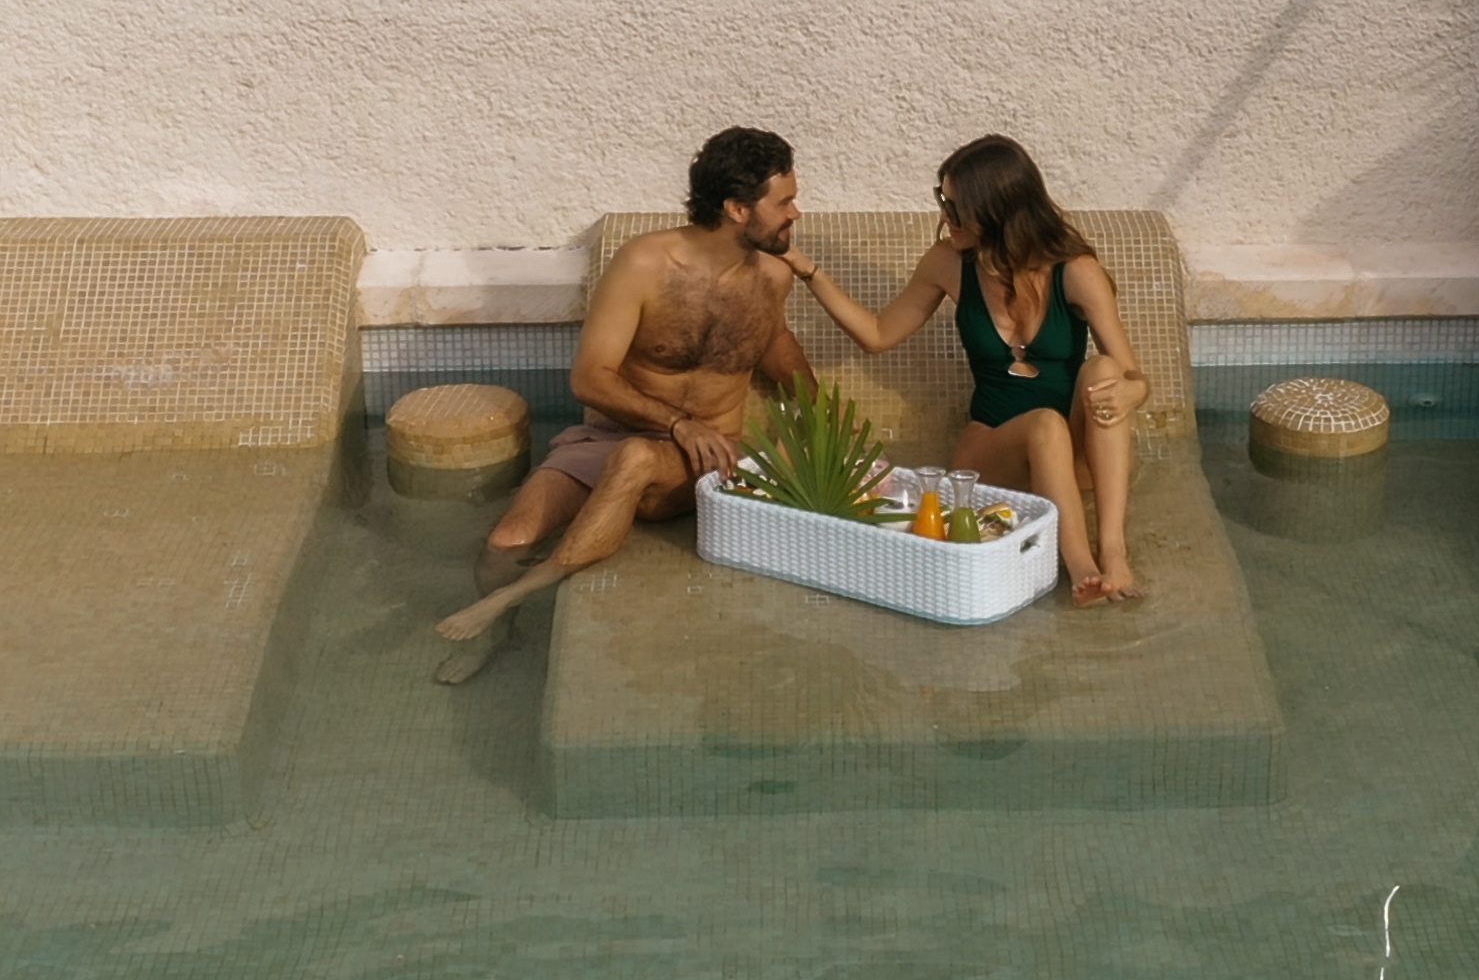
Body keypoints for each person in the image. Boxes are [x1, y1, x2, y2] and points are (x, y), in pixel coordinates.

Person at [433, 127, 810, 681]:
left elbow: (788, 368)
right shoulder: (645, 265)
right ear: (736, 208)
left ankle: (518, 598)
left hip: (707, 455)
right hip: (613, 437)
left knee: (636, 456)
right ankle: (497, 636)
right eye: (784, 202)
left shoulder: (773, 277)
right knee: (504, 542)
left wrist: (794, 441)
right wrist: (677, 423)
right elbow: (590, 379)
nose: (795, 213)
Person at [784, 135, 1149, 603]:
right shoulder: (950, 264)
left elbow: (1135, 378)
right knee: (1044, 424)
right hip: (995, 457)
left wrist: (1130, 393)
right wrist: (806, 269)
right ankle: (1078, 565)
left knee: (1102, 371)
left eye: (955, 208)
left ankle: (1113, 552)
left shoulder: (1075, 272)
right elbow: (877, 335)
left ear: (997, 209)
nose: (945, 219)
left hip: (1074, 462)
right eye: (943, 203)